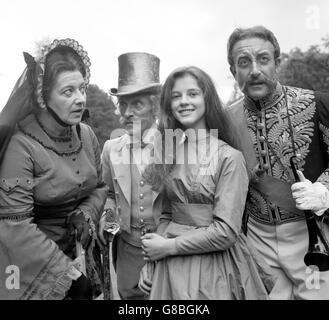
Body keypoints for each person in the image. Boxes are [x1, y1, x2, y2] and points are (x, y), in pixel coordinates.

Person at [138, 66, 275, 300]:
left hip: (215, 269)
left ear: (207, 99)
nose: (183, 101)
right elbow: (166, 215)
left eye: (192, 94)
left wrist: (168, 247)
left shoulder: (229, 157)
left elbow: (226, 231)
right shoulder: (167, 154)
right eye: (176, 96)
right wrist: (152, 260)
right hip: (169, 269)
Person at [226, 25, 329, 299]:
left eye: (263, 59)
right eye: (244, 63)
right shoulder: (224, 121)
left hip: (311, 236)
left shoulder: (317, 104)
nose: (255, 70)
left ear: (277, 63)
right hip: (256, 241)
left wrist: (325, 191)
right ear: (233, 71)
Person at [0, 38, 108, 300]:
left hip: (81, 257)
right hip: (32, 269)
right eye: (68, 92)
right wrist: (68, 277)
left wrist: (86, 211)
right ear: (43, 95)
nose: (81, 99)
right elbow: (15, 227)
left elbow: (101, 186)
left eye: (82, 88)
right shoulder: (22, 145)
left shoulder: (87, 135)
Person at [99, 52, 164, 300]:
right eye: (122, 104)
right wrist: (108, 215)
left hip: (166, 249)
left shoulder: (176, 145)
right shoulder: (110, 149)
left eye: (136, 104)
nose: (127, 112)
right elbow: (107, 194)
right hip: (128, 250)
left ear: (155, 107)